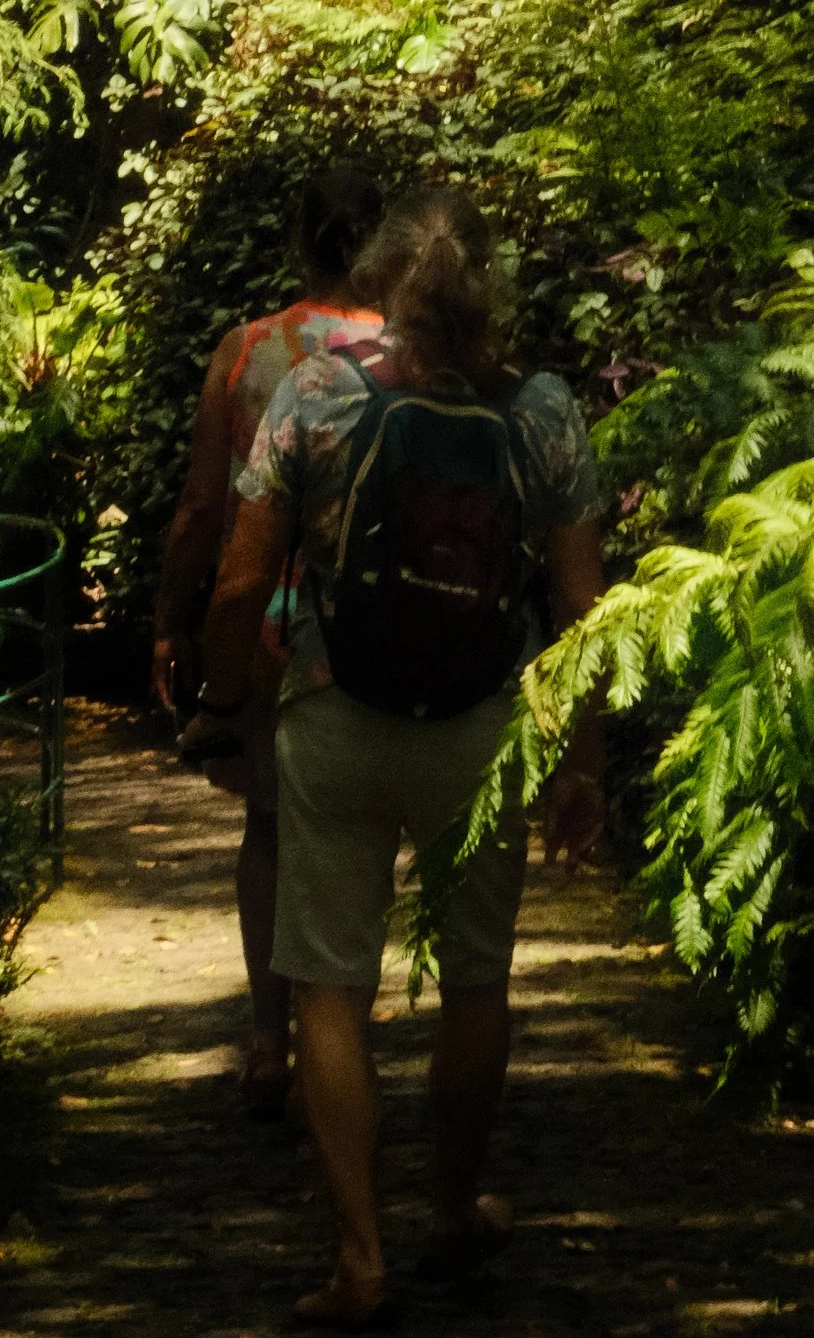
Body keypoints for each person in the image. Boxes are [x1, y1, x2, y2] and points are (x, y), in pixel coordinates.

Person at [186, 187, 606, 1328]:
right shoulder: (545, 413)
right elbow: (582, 607)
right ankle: (455, 1211)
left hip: (336, 714)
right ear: (492, 291)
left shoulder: (317, 395)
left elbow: (238, 576)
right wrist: (584, 764)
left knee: (328, 984)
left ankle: (359, 1259)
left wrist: (225, 703)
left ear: (380, 285)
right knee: (475, 980)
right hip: (481, 726)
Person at [151, 160, 387, 1117]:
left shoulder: (248, 351)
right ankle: (346, 1036)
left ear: (298, 240)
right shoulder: (411, 353)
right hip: (370, 621)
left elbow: (206, 505)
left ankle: (268, 1041)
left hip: (267, 627)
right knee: (363, 831)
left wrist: (175, 622)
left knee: (269, 830)